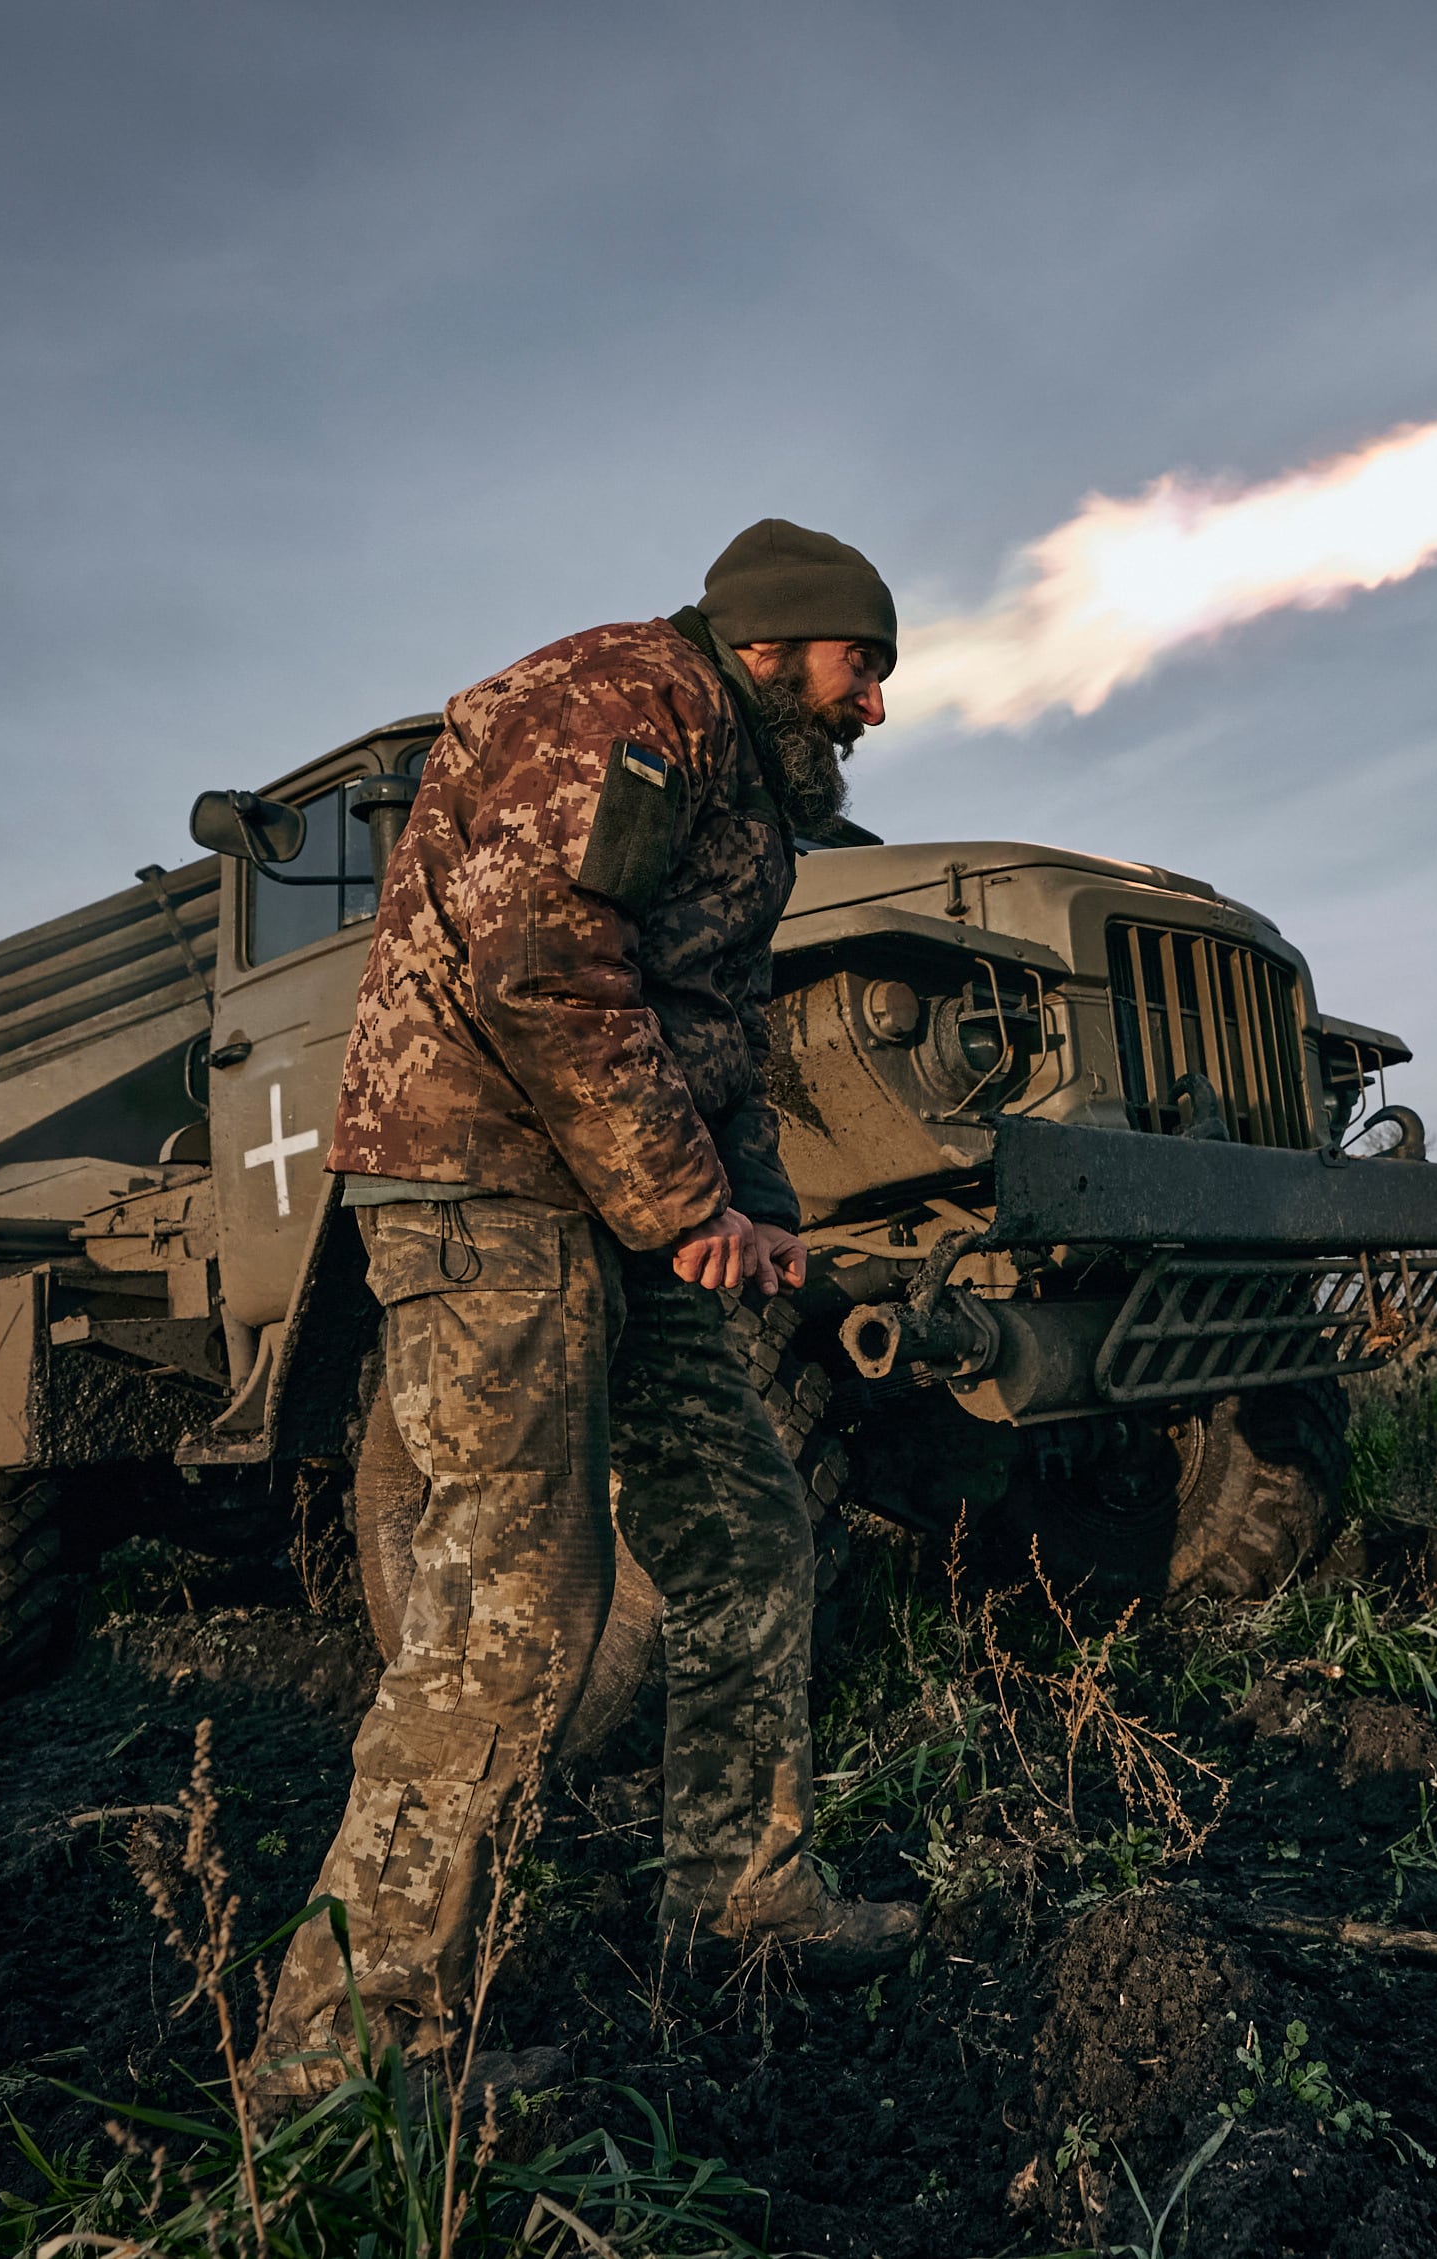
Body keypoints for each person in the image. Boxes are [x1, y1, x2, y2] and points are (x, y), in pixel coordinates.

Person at [257, 519, 918, 2089]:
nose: (876, 705)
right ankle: (347, 2049)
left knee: (752, 1537)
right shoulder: (621, 704)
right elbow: (541, 969)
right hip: (487, 1184)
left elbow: (712, 1024)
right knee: (515, 1606)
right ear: (769, 642)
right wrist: (687, 1205)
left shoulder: (745, 780)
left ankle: (741, 1898)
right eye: (861, 664)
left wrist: (750, 1213)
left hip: (616, 1202)